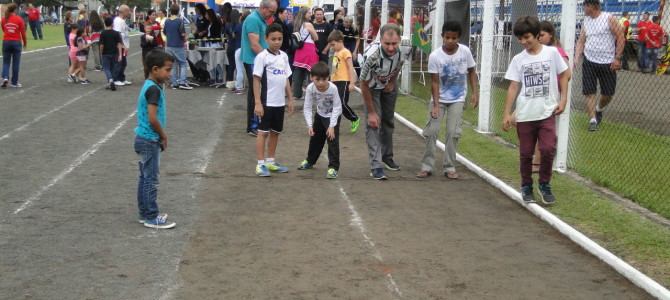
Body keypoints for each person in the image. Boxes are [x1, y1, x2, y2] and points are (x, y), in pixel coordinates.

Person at [502, 16, 570, 204]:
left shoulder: (551, 54)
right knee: (525, 153)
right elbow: (513, 87)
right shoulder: (518, 59)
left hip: (547, 112)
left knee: (548, 149)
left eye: (527, 37)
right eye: (520, 39)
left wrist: (563, 100)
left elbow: (564, 75)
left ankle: (544, 184)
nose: (523, 42)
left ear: (537, 35)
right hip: (525, 115)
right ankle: (526, 186)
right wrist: (507, 113)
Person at [416, 21, 478, 180]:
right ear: (442, 36)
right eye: (447, 37)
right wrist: (436, 105)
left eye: (454, 38)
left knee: (453, 132)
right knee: (432, 131)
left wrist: (474, 93)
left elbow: (471, 72)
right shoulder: (435, 56)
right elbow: (435, 82)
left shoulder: (465, 52)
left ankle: (449, 166)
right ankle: (426, 165)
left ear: (459, 38)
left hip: (458, 98)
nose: (450, 41)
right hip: (439, 98)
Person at [133, 49, 177, 229]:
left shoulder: (150, 85)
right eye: (167, 70)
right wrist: (163, 135)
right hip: (149, 139)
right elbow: (152, 118)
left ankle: (145, 213)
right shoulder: (153, 89)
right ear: (155, 69)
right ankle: (151, 215)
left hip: (143, 138)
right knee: (151, 179)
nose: (169, 73)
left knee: (145, 178)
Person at [359, 24, 404, 180]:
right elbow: (363, 84)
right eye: (387, 44)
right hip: (371, 87)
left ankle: (387, 157)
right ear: (380, 41)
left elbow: (399, 65)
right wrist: (371, 112)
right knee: (374, 123)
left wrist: (392, 82)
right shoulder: (372, 56)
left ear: (399, 41)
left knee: (389, 121)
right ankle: (376, 165)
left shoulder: (403, 50)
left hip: (388, 84)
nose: (391, 48)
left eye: (394, 43)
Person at [574, 0, 624, 132]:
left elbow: (620, 37)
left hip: (607, 62)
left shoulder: (608, 18)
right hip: (589, 61)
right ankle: (592, 120)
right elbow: (581, 41)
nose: (583, 8)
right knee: (589, 92)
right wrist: (576, 57)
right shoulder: (586, 21)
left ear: (592, 6)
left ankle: (598, 109)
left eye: (585, 5)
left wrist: (617, 58)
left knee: (608, 94)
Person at [252, 23, 294, 177]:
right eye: (273, 39)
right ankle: (260, 164)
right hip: (266, 103)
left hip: (279, 103)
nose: (277, 42)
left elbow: (286, 79)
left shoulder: (284, 56)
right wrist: (257, 102)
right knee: (262, 132)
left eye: (280, 39)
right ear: (266, 39)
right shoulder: (262, 57)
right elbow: (256, 80)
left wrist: (290, 99)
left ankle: (270, 161)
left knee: (276, 132)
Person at [530, 20, 570, 173]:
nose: (539, 38)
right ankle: (541, 153)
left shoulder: (556, 52)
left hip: (550, 96)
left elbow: (567, 73)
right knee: (517, 120)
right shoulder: (538, 51)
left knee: (542, 130)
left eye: (542, 35)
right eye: (537, 35)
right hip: (536, 95)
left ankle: (537, 163)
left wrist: (562, 96)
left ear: (550, 34)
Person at [298, 61, 342, 178]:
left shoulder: (333, 88)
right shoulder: (310, 88)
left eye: (324, 79)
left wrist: (332, 126)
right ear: (311, 78)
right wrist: (310, 125)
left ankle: (333, 167)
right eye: (317, 79)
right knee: (315, 139)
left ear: (328, 77)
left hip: (332, 116)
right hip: (320, 114)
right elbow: (307, 107)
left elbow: (337, 107)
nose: (321, 83)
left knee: (332, 141)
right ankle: (310, 161)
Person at [242, 0, 277, 136]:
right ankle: (253, 125)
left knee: (260, 93)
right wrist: (269, 58)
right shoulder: (253, 20)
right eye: (271, 12)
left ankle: (257, 123)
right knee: (256, 93)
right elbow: (254, 45)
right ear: (263, 8)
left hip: (257, 61)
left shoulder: (260, 20)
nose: (272, 15)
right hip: (253, 61)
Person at [328, 30, 360, 133]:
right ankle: (334, 125)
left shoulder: (345, 52)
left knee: (342, 103)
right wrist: (330, 80)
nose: (332, 47)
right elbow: (333, 69)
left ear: (340, 41)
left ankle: (354, 118)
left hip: (344, 80)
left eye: (333, 44)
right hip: (335, 81)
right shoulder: (336, 53)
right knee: (335, 104)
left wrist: (352, 82)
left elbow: (351, 68)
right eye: (331, 45)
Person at [291, 7, 319, 99]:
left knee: (298, 72)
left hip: (299, 49)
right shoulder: (308, 24)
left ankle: (297, 94)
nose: (311, 14)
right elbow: (316, 38)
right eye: (309, 13)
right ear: (304, 14)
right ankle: (311, 94)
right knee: (311, 72)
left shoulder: (297, 24)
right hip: (309, 49)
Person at [163, 4, 192, 90]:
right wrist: (188, 36)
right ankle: (182, 82)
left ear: (170, 11)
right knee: (183, 64)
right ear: (178, 11)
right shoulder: (179, 21)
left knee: (173, 64)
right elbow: (182, 34)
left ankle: (174, 83)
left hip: (169, 46)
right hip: (178, 46)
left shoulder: (167, 21)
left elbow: (164, 32)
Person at [2, 3, 27, 88]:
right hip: (16, 42)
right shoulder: (19, 19)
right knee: (16, 63)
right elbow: (23, 33)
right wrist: (25, 42)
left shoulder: (4, 19)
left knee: (6, 62)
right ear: (15, 10)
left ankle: (5, 77)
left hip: (6, 42)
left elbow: (4, 29)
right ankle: (14, 82)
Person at [100, 17, 123, 91]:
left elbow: (101, 45)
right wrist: (120, 54)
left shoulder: (103, 33)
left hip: (106, 53)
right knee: (113, 68)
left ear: (105, 24)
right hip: (115, 53)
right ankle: (111, 81)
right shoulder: (116, 33)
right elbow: (119, 44)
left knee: (106, 68)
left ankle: (110, 80)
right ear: (112, 24)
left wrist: (101, 53)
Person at [113, 5, 132, 86]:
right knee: (119, 63)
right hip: (120, 46)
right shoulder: (118, 21)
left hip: (123, 46)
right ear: (122, 12)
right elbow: (118, 34)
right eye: (127, 11)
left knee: (123, 63)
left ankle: (121, 78)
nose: (129, 12)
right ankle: (116, 79)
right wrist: (123, 45)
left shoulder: (122, 21)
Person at [225, 9, 242, 89]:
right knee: (238, 67)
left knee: (230, 66)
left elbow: (227, 36)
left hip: (230, 47)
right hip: (237, 47)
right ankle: (237, 83)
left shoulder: (228, 25)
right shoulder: (240, 25)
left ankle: (229, 82)